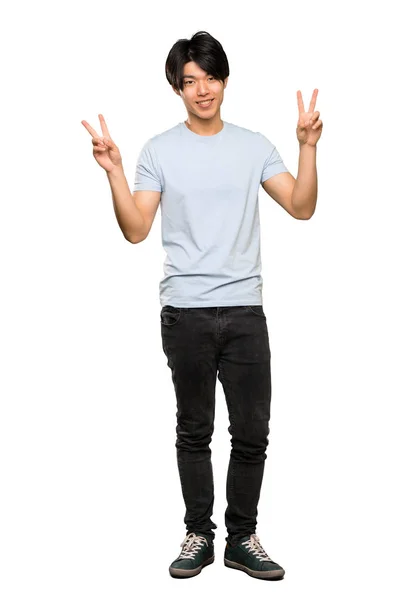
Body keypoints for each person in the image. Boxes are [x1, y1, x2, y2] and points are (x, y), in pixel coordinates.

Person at [81, 30, 322, 581]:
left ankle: (242, 538)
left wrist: (307, 146)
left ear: (225, 81)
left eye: (211, 77)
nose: (203, 89)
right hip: (185, 313)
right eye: (191, 81)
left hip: (244, 312)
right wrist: (115, 172)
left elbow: (301, 207)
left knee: (252, 433)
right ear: (177, 88)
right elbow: (137, 229)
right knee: (194, 429)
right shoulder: (159, 151)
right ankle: (198, 536)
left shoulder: (253, 144)